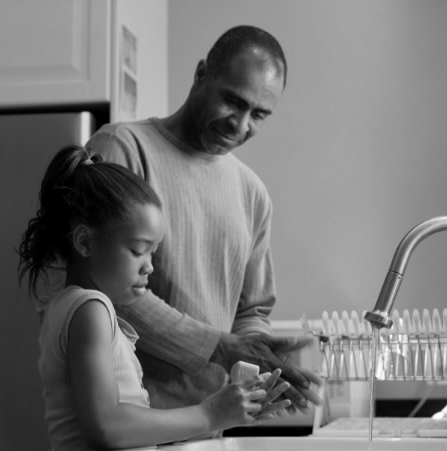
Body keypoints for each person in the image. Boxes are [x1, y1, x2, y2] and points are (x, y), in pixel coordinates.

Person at [86, 25, 321, 411]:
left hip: (210, 424)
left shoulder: (252, 192)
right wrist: (219, 346)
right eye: (233, 101)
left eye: (259, 115)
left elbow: (252, 310)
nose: (241, 125)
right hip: (127, 418)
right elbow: (103, 285)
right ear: (201, 76)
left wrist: (256, 363)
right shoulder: (122, 149)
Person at [17, 145, 290, 451]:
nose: (150, 267)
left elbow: (123, 427)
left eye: (153, 252)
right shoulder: (92, 309)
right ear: (85, 243)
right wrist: (209, 414)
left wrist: (228, 412)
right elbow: (105, 427)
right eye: (138, 251)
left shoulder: (68, 306)